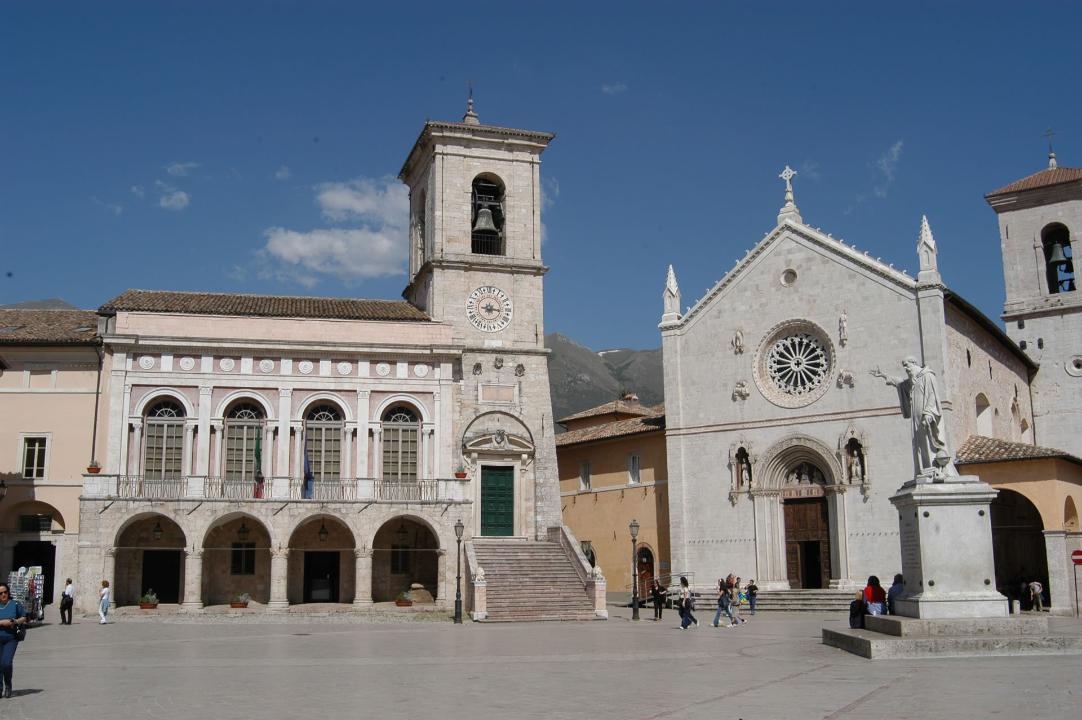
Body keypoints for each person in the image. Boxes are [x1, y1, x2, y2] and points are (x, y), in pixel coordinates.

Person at [0, 583, 29, 698]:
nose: (3, 595)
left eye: (5, 592)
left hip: (11, 639)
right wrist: (2, 622)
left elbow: (24, 617)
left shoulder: (15, 604)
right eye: (0, 593)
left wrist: (15, 622)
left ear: (8, 592)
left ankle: (8, 685)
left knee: (6, 663)